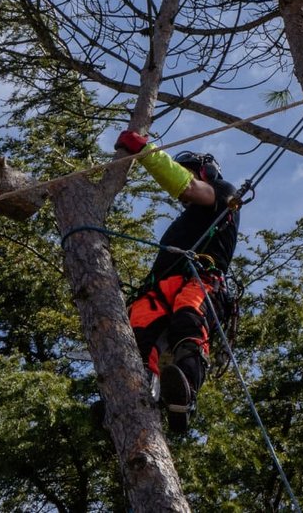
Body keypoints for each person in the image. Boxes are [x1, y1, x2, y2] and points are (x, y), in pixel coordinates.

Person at [115, 129, 239, 433]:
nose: (185, 176)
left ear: (205, 173)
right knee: (139, 328)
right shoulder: (184, 222)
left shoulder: (223, 194)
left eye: (190, 171)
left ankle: (184, 393)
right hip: (162, 285)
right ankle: (130, 394)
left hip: (200, 279)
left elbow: (188, 188)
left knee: (189, 316)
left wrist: (146, 151)